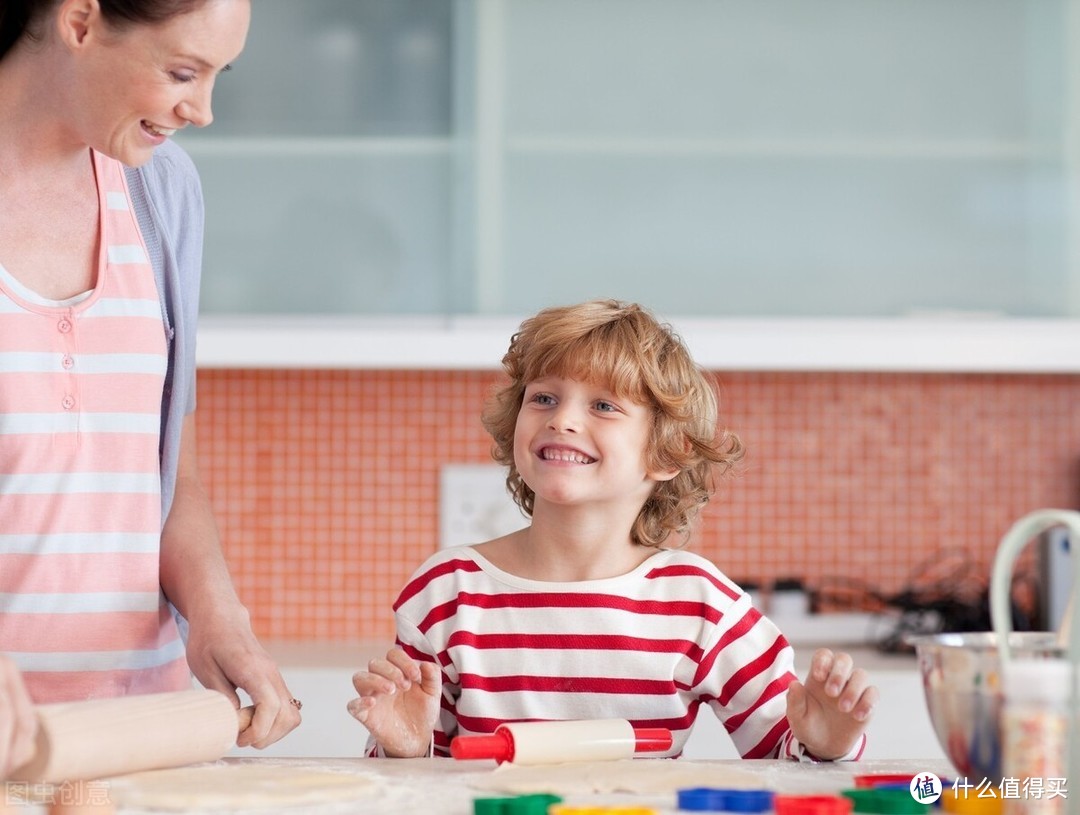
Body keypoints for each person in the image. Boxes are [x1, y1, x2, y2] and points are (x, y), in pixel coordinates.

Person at [348, 299, 878, 761]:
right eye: (544, 398)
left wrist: (828, 739)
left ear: (667, 454)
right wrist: (403, 748)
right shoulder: (447, 591)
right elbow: (417, 774)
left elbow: (786, 750)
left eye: (603, 405)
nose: (563, 420)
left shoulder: (699, 604)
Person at [0, 0, 300, 774]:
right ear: (81, 21)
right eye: (181, 72)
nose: (201, 111)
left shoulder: (161, 192)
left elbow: (169, 477)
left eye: (214, 78)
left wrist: (217, 615)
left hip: (139, 735)